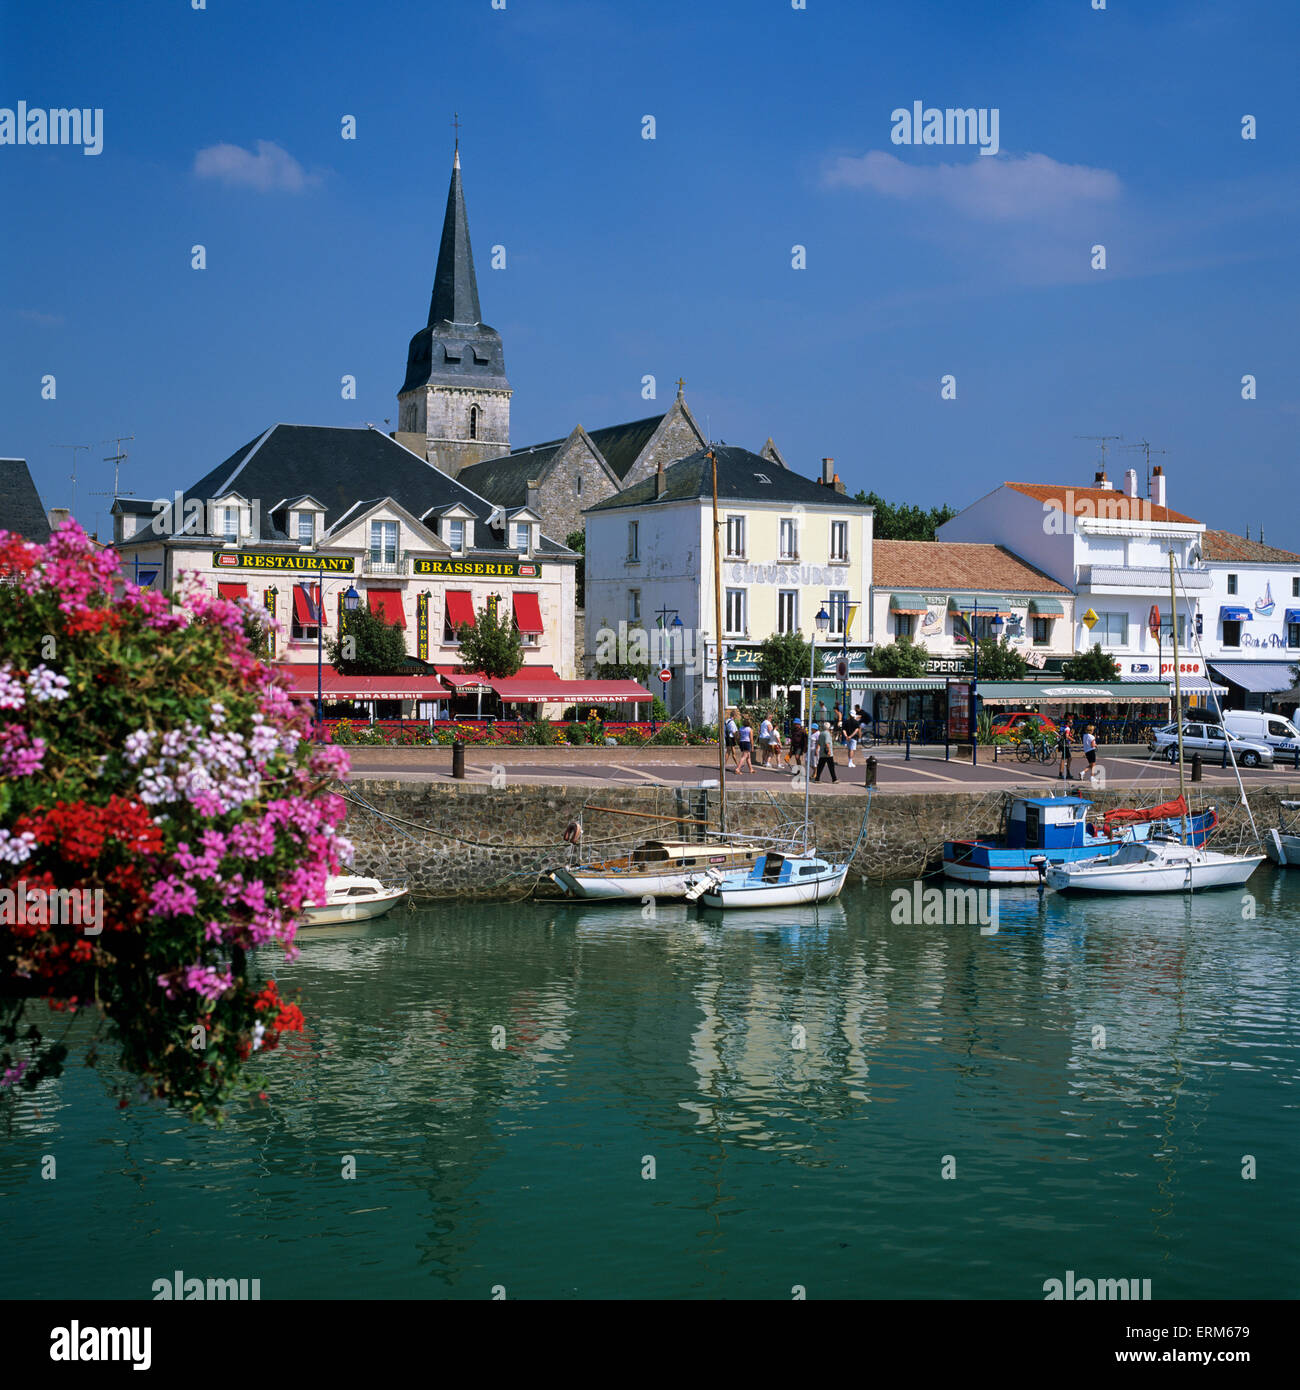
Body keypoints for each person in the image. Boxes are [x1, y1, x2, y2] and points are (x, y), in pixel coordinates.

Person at [1057, 717, 1074, 782]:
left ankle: (1062, 773)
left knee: (1065, 759)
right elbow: (1067, 736)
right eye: (1070, 722)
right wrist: (1073, 740)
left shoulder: (1063, 727)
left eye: (1072, 722)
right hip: (1065, 745)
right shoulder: (1067, 728)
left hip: (1062, 745)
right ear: (1068, 723)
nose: (1072, 723)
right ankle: (1066, 773)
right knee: (1067, 759)